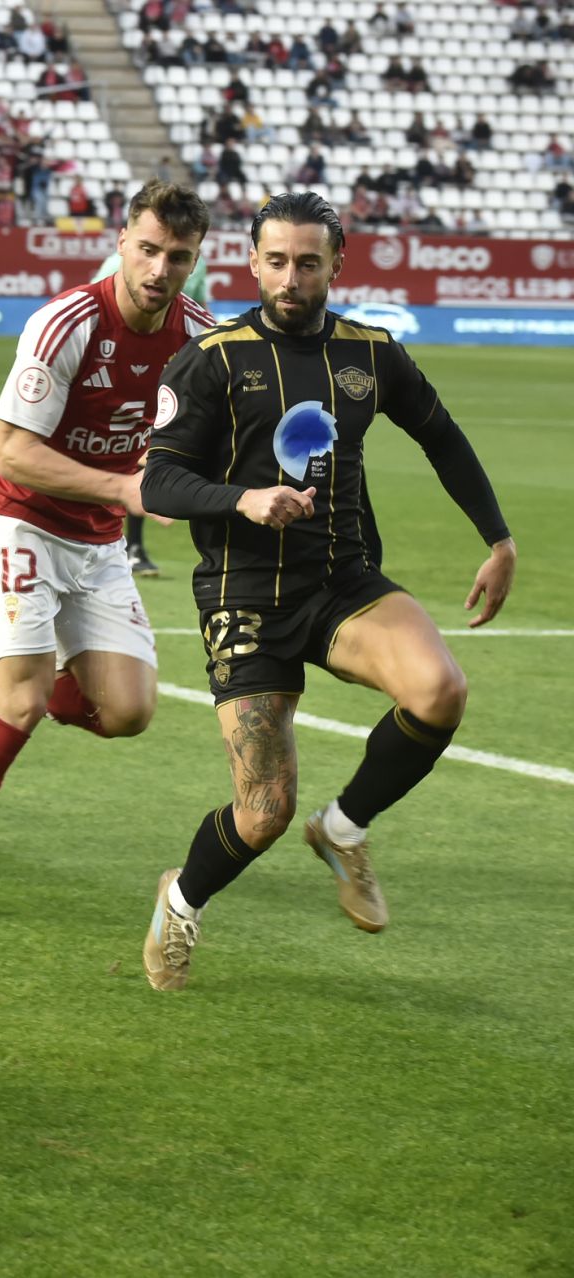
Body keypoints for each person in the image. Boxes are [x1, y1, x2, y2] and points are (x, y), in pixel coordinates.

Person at [138, 192, 516, 990]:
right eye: (275, 261)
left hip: (344, 583)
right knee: (264, 810)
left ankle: (343, 831)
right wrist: (243, 499)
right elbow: (159, 481)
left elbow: (442, 436)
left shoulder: (372, 354)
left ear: (335, 265)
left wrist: (498, 537)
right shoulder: (214, 358)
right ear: (251, 262)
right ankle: (182, 900)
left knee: (440, 691)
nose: (291, 277)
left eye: (308, 263)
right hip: (245, 596)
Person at [0, 181, 215, 924]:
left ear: (195, 261)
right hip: (18, 521)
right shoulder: (67, 321)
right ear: (122, 242)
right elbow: (13, 455)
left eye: (178, 257)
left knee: (128, 712)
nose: (160, 269)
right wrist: (129, 489)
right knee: (25, 700)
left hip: (95, 539)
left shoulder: (200, 336)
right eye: (148, 249)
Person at [88, 233, 212, 577]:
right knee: (124, 450)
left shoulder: (197, 268)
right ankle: (121, 542)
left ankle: (133, 546)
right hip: (115, 368)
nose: (161, 269)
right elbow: (95, 314)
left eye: (178, 255)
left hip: (168, 365)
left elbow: (200, 313)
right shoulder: (116, 266)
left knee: (151, 450)